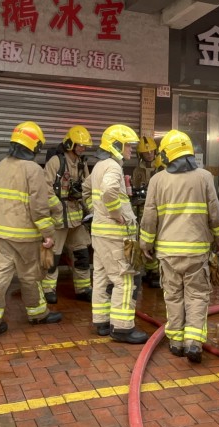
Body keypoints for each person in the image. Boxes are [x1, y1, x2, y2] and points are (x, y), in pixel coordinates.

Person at [139, 130, 219, 363]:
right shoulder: (205, 177)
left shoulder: (157, 180)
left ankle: (176, 341)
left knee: (173, 295)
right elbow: (214, 212)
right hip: (196, 251)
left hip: (167, 253)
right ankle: (193, 342)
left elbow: (149, 216)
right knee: (197, 296)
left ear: (166, 154)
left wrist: (145, 243)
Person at [0, 122, 61, 335]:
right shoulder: (33, 169)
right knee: (30, 276)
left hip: (3, 234)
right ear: (33, 145)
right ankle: (38, 314)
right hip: (26, 237)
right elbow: (39, 207)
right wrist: (48, 235)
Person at [84, 124, 148, 344]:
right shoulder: (112, 166)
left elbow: (86, 189)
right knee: (124, 280)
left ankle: (101, 321)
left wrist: (97, 211)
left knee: (101, 277)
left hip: (100, 234)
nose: (131, 150)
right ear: (116, 145)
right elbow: (110, 191)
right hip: (115, 235)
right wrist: (115, 213)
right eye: (128, 145)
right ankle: (122, 328)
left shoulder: (99, 166)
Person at [42, 126, 94, 303]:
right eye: (79, 145)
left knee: (82, 254)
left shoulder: (82, 163)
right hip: (58, 219)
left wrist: (91, 210)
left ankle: (83, 289)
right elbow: (45, 188)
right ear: (70, 143)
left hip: (76, 218)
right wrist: (57, 207)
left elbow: (87, 188)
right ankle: (48, 290)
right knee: (53, 257)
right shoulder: (56, 162)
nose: (82, 149)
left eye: (84, 146)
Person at [132, 136, 164, 289]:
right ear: (141, 155)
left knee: (158, 240)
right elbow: (134, 191)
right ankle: (151, 271)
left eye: (152, 151)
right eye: (146, 152)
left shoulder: (162, 168)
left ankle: (158, 271)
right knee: (146, 239)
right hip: (142, 210)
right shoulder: (137, 170)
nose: (150, 154)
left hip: (159, 209)